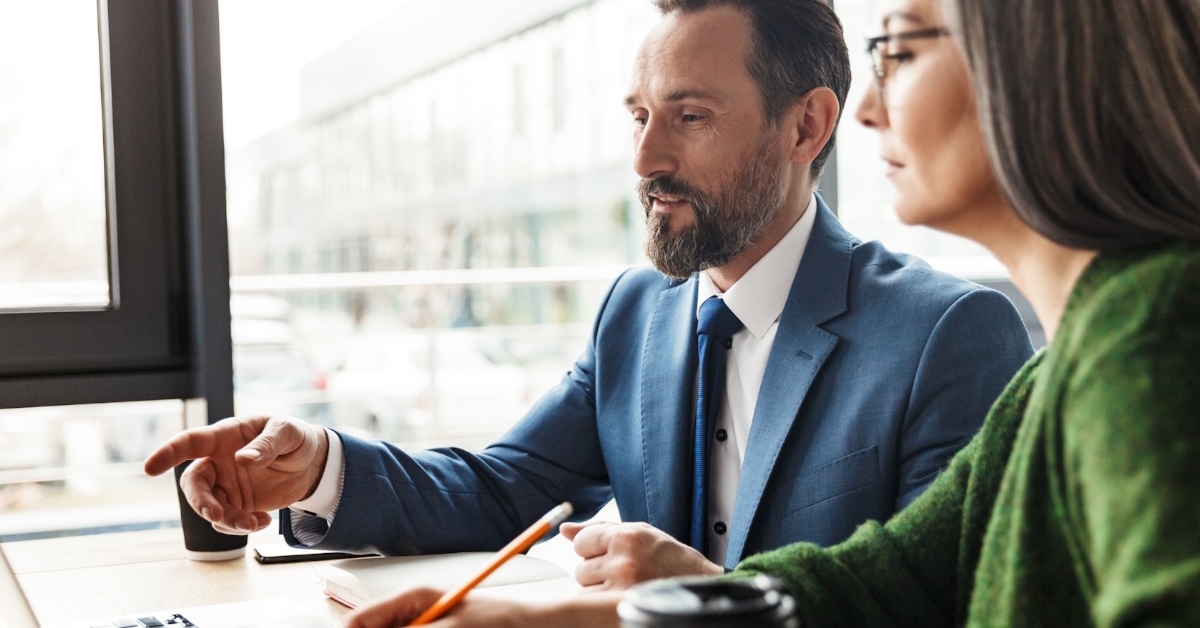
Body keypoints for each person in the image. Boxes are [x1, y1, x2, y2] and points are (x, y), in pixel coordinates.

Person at [343, 0, 1200, 623]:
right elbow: (882, 584)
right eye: (641, 116)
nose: (869, 108)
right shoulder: (1065, 368)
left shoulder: (1152, 336)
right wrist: (536, 621)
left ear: (1034, 55)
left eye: (899, 51)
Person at [144, 0, 1031, 595]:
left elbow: (948, 605)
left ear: (808, 125)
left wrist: (710, 604)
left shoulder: (946, 334)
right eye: (638, 116)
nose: (645, 162)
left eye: (689, 117)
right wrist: (321, 465)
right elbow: (507, 489)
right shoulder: (635, 314)